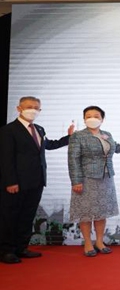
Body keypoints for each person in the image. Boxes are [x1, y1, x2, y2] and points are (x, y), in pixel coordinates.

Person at [0, 96, 73, 264]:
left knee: (27, 216)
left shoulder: (39, 129)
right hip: (16, 183)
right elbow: (6, 159)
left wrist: (68, 137)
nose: (32, 110)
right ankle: (6, 251)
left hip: (36, 181)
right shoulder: (8, 130)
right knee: (10, 217)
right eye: (28, 107)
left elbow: (48, 145)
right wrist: (11, 181)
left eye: (36, 107)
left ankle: (21, 248)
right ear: (19, 109)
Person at [68, 106, 120, 257]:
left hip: (106, 179)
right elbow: (73, 159)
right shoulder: (78, 136)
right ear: (84, 119)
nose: (92, 118)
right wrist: (76, 181)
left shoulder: (107, 135)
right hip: (86, 179)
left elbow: (119, 149)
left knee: (102, 212)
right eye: (88, 116)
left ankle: (100, 242)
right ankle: (88, 243)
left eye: (96, 116)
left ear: (102, 119)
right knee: (86, 213)